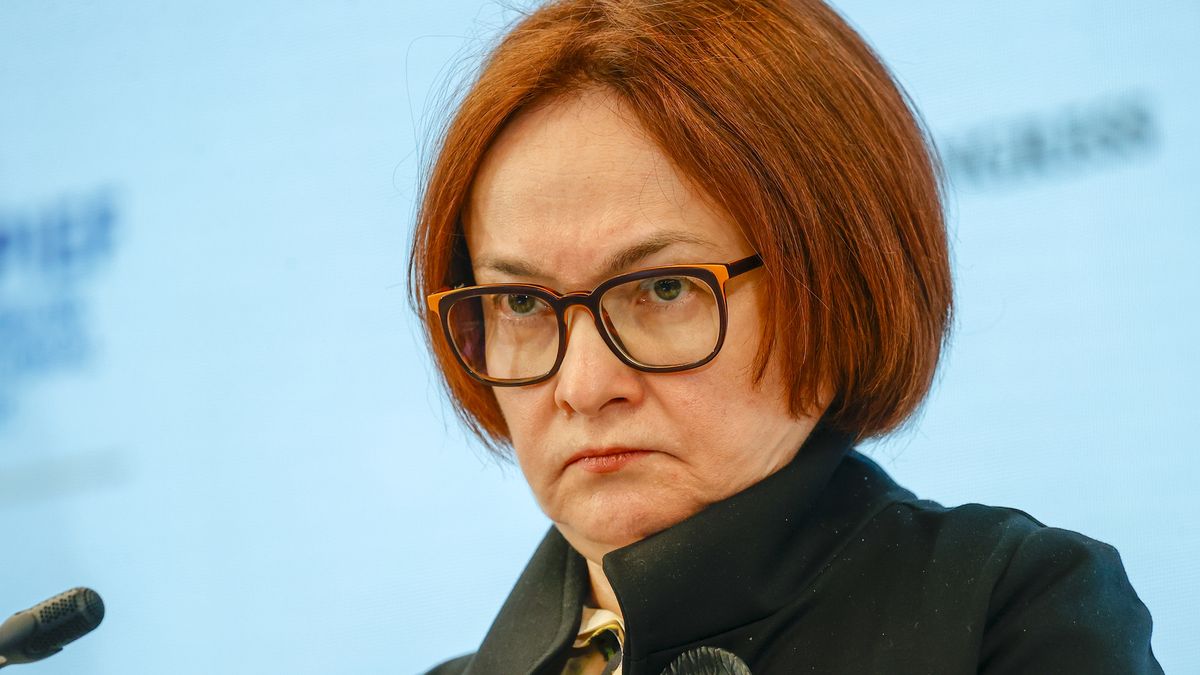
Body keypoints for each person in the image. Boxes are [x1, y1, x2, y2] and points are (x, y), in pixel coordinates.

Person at [409, 0, 1162, 673]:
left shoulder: (1009, 615)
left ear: (835, 285)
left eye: (664, 288)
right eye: (520, 303)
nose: (581, 385)